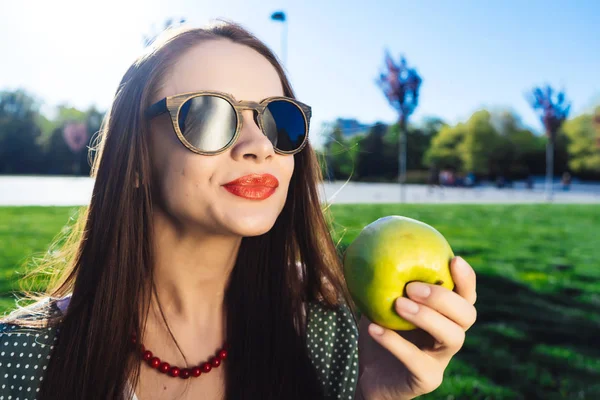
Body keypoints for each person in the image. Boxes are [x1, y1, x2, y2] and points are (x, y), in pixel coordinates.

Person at [0, 21, 477, 400]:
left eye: (279, 120)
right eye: (207, 114)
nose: (259, 145)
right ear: (136, 158)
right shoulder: (19, 359)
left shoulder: (332, 336)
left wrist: (373, 395)